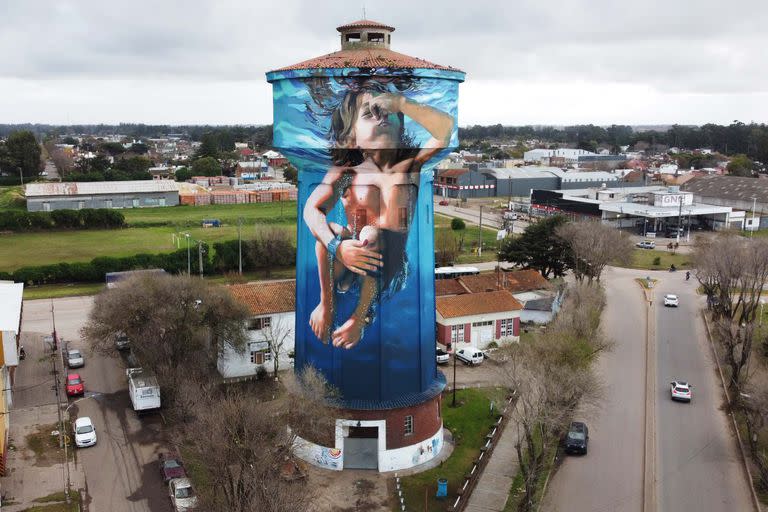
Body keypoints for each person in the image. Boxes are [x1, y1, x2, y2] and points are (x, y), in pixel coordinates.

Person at [304, 84, 454, 349]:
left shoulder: (410, 166)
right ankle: (325, 305)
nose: (381, 116)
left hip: (393, 267)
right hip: (352, 261)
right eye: (369, 113)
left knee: (371, 233)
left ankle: (358, 319)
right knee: (332, 231)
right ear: (350, 136)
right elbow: (311, 210)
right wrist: (337, 249)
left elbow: (444, 130)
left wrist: (402, 103)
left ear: (401, 126)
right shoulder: (348, 172)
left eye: (386, 112)